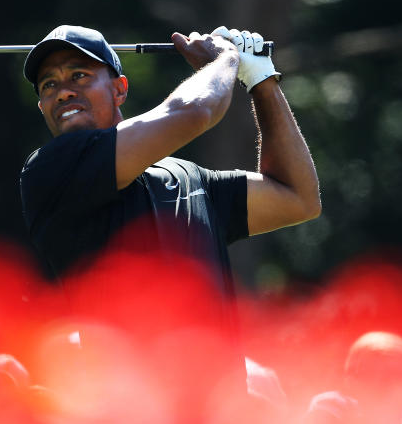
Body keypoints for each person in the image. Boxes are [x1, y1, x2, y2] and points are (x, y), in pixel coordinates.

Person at [18, 24, 321, 392]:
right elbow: (195, 110)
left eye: (79, 75)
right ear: (41, 106)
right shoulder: (50, 170)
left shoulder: (185, 176)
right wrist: (227, 58)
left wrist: (261, 80)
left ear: (119, 90)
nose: (63, 90)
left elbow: (297, 197)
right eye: (49, 85)